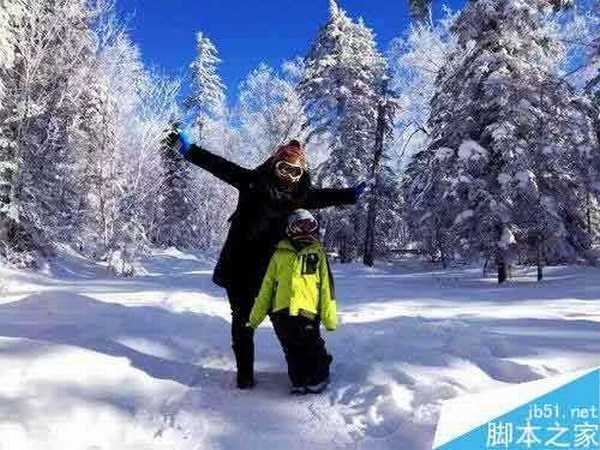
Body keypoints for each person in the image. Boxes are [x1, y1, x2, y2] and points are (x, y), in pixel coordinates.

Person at [166, 128, 367, 389]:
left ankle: (304, 372)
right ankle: (245, 376)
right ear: (274, 163)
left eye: (295, 172)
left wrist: (349, 195)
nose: (288, 176)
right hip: (239, 266)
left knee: (286, 322)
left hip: (272, 271)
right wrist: (189, 150)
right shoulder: (252, 182)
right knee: (242, 320)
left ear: (302, 173)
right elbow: (219, 165)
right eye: (284, 168)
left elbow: (325, 195)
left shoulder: (300, 196)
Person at [247, 209, 337, 394]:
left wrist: (329, 318)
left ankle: (318, 377)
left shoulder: (316, 254)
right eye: (301, 226)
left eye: (310, 226)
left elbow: (326, 288)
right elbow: (266, 288)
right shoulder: (279, 255)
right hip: (282, 311)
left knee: (311, 344)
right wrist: (254, 318)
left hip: (307, 310)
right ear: (291, 228)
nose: (306, 231)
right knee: (291, 348)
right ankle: (299, 380)